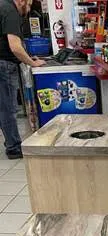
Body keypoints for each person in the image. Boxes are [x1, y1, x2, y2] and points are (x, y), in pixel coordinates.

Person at [0, 0, 45, 159]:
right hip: (4, 65)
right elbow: (15, 47)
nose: (30, 7)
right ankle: (13, 148)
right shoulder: (10, 11)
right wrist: (32, 63)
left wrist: (27, 58)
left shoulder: (3, 7)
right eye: (29, 3)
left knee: (4, 107)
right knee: (8, 109)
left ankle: (10, 142)